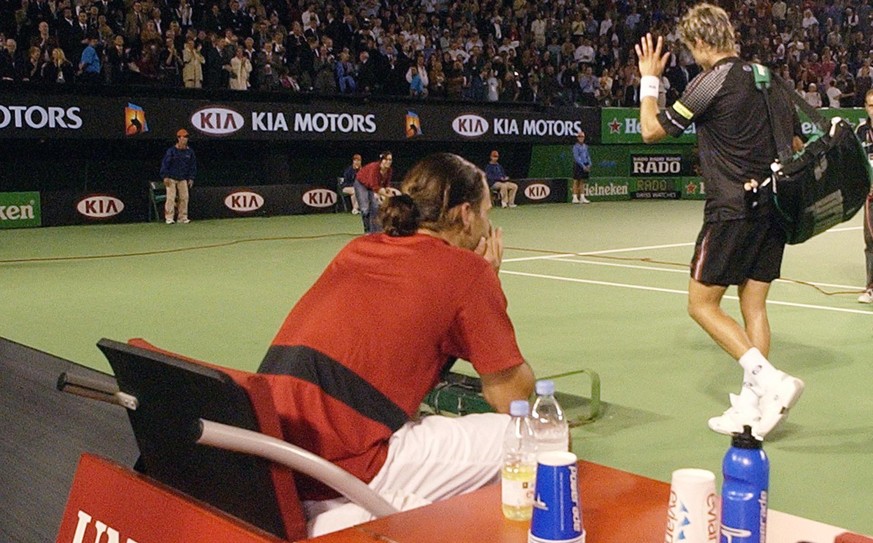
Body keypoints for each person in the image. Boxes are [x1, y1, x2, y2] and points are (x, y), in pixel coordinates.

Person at [258, 152, 535, 536]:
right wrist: (488, 281)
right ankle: (351, 515)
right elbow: (514, 401)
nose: (489, 226)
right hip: (345, 465)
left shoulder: (358, 248)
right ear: (466, 215)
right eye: (487, 213)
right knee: (537, 439)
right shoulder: (469, 272)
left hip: (278, 458)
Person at [635, 3, 804, 439]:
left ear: (700, 42)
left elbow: (651, 131)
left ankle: (770, 382)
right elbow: (799, 139)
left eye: (691, 47)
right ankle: (752, 409)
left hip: (731, 210)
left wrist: (648, 80)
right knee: (754, 306)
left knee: (701, 304)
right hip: (776, 210)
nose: (691, 55)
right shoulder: (771, 79)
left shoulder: (710, 82)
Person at [855, 88, 873, 303]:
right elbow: (855, 164)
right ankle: (870, 287)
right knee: (870, 242)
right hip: (870, 198)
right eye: (870, 105)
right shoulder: (860, 132)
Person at [159, 128, 197, 224]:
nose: (185, 139)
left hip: (183, 178)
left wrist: (191, 178)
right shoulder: (171, 151)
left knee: (185, 197)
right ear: (178, 138)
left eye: (186, 137)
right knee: (170, 198)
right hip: (171, 178)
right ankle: (169, 218)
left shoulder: (190, 152)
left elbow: (192, 166)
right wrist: (165, 176)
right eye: (183, 137)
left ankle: (182, 217)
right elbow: (165, 164)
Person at [354, 152, 393, 234]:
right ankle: (367, 231)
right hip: (361, 184)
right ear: (381, 160)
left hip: (372, 186)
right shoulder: (374, 168)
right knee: (365, 208)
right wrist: (387, 195)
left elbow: (387, 184)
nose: (388, 162)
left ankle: (376, 231)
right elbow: (374, 186)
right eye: (386, 159)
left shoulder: (389, 170)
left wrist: (387, 191)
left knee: (375, 206)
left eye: (390, 160)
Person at [572, 131, 592, 204]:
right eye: (579, 136)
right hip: (578, 165)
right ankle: (574, 198)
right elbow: (577, 157)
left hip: (585, 164)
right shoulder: (575, 147)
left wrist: (589, 164)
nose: (581, 138)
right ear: (577, 138)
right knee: (576, 181)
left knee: (582, 181)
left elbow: (587, 156)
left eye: (582, 136)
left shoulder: (585, 146)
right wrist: (583, 166)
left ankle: (582, 198)